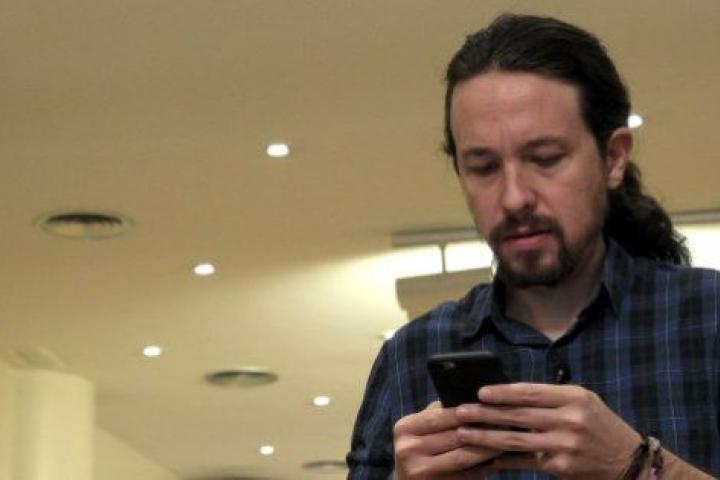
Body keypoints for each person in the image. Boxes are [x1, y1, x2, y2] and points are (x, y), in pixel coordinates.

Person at [346, 13, 719, 480]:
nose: (514, 198)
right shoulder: (409, 356)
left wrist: (638, 467)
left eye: (545, 159)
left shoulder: (709, 318)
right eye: (484, 168)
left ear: (613, 157)